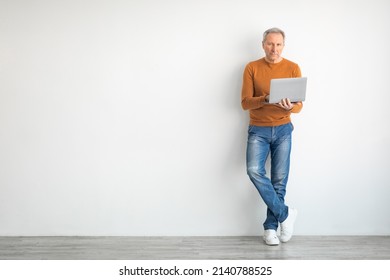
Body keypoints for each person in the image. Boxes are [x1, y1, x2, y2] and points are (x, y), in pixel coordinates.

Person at [241, 27, 303, 246]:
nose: (273, 48)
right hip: (258, 129)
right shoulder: (252, 67)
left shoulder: (293, 67)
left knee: (279, 181)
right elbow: (245, 102)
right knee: (253, 170)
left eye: (278, 44)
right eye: (270, 43)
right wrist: (265, 99)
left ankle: (270, 228)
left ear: (283, 46)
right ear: (263, 44)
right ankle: (286, 214)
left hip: (284, 129)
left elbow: (299, 106)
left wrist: (289, 107)